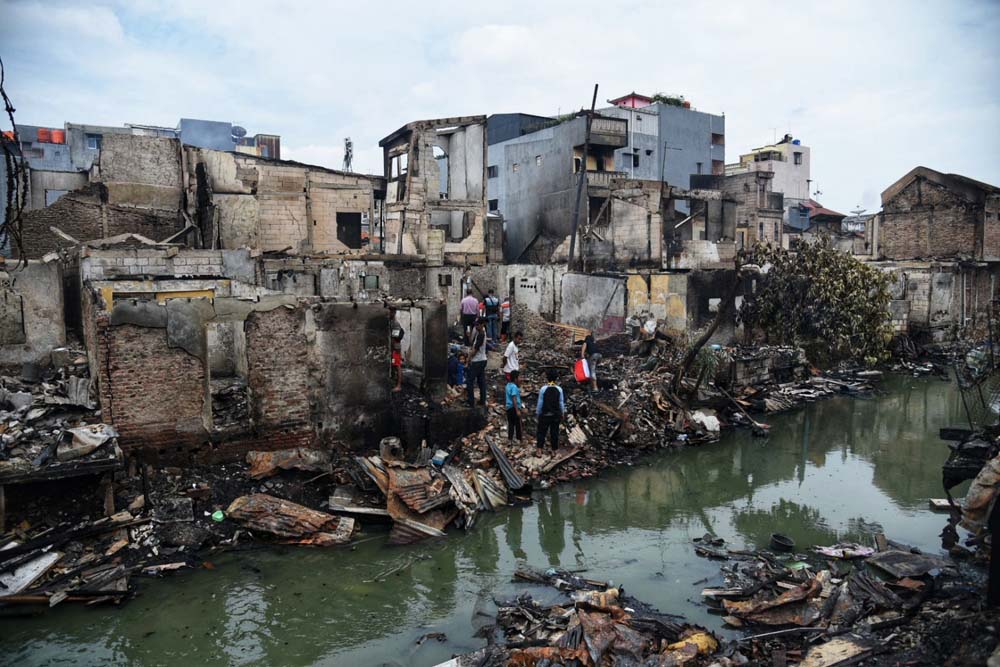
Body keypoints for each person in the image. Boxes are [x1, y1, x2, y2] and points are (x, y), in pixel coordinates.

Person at [536, 369, 565, 450]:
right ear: (556, 378)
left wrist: (538, 413)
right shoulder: (559, 389)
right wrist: (562, 413)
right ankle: (554, 450)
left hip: (545, 414)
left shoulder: (543, 389)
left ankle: (539, 449)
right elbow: (561, 402)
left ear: (547, 378)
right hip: (555, 415)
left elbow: (540, 402)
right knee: (554, 433)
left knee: (541, 432)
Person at [466, 319, 488, 407]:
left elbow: (475, 349)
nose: (476, 326)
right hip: (482, 360)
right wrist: (469, 336)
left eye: (478, 325)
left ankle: (471, 402)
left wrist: (468, 359)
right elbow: (472, 344)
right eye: (475, 325)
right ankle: (482, 400)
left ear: (482, 325)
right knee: (481, 381)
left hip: (477, 361)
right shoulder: (479, 334)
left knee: (469, 381)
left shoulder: (481, 335)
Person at [505, 370, 524, 443]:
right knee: (518, 424)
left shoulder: (508, 385)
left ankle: (510, 439)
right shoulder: (514, 387)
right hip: (514, 408)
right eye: (519, 377)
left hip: (509, 408)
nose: (521, 379)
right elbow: (514, 398)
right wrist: (517, 410)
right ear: (515, 379)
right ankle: (519, 439)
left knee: (511, 424)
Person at [389, 306, 405, 392]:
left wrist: (393, 350)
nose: (389, 313)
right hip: (393, 348)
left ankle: (399, 386)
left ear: (394, 313)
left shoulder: (395, 324)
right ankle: (396, 382)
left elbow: (394, 338)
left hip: (396, 348)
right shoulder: (391, 322)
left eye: (390, 312)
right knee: (394, 364)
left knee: (397, 365)